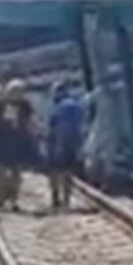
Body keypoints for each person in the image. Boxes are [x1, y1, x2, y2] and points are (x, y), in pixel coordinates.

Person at [0, 79, 35, 211]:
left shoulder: (25, 105)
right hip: (0, 142)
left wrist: (32, 134)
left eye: (20, 92)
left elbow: (30, 121)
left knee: (16, 172)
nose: (17, 94)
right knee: (0, 171)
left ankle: (14, 199)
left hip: (18, 142)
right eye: (14, 91)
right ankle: (1, 198)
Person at [46, 80, 86, 210]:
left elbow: (51, 125)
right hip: (71, 142)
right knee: (68, 173)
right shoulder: (76, 105)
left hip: (56, 141)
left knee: (54, 172)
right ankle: (66, 200)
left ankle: (55, 198)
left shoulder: (55, 106)